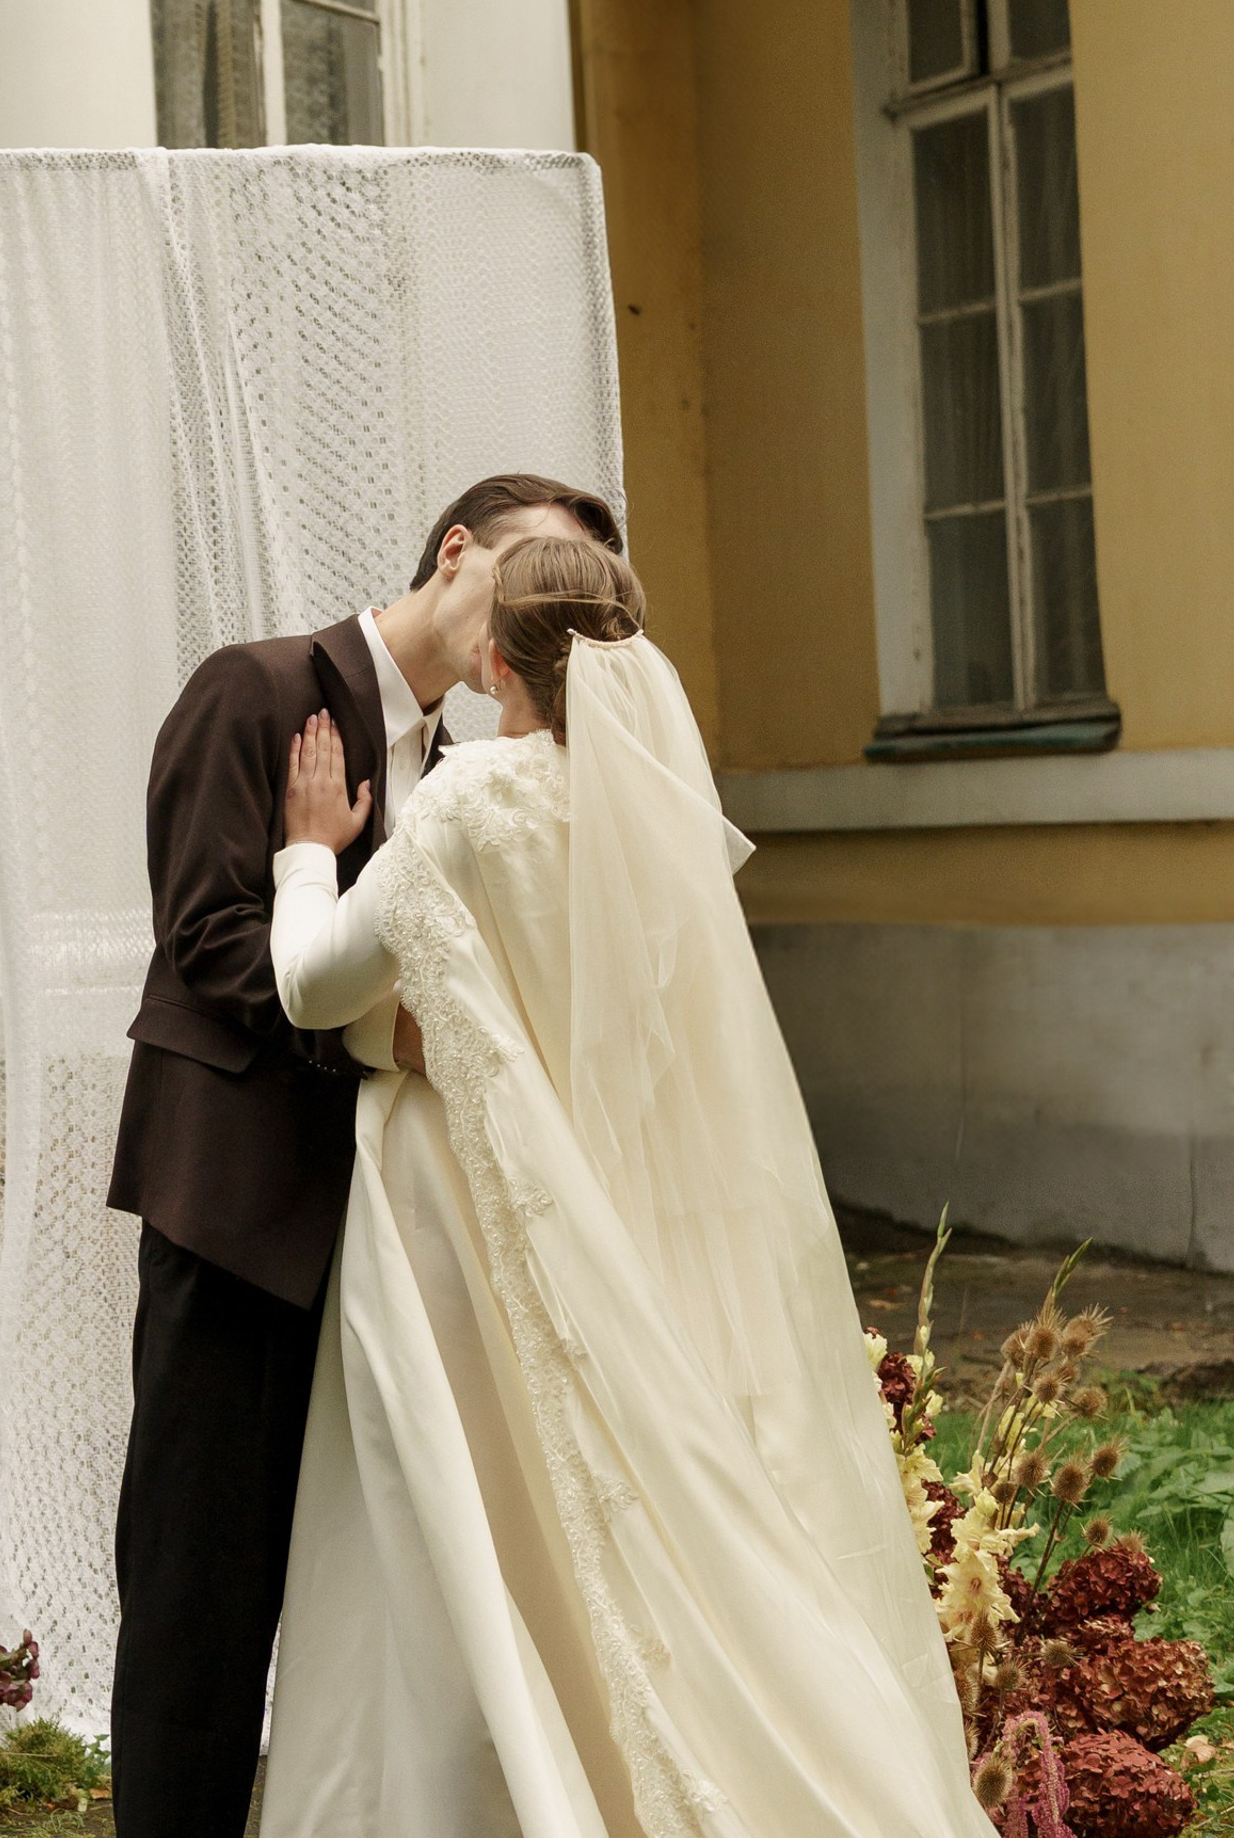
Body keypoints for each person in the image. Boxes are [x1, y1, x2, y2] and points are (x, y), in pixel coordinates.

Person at [257, 534, 991, 1837]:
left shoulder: (474, 802)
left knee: (482, 1533)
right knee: (627, 1513)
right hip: (637, 1221)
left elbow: (316, 984)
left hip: (473, 1217)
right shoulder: (667, 818)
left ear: (496, 661)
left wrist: (307, 854)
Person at [105, 474, 623, 1838]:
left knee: (373, 1592)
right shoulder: (257, 688)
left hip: (391, 1247)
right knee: (197, 1598)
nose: (521, 610)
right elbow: (209, 942)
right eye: (521, 570)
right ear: (458, 552)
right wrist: (410, 1033)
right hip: (240, 1228)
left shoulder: (470, 770)